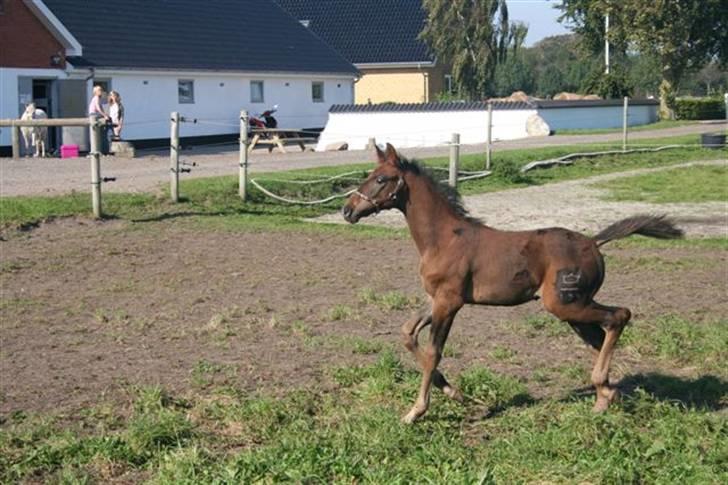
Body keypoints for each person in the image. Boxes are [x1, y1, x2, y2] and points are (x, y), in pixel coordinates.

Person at [88, 85, 110, 153]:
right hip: (94, 115)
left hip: (95, 115)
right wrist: (104, 115)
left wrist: (105, 115)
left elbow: (101, 108)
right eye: (99, 90)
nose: (101, 91)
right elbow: (98, 108)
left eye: (101, 90)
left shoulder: (98, 98)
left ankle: (102, 149)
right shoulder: (96, 97)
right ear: (95, 92)